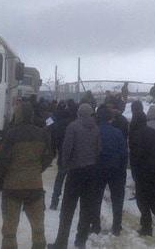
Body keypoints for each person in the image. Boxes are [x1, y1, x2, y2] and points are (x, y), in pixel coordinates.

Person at [0, 102, 54, 249]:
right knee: (38, 227)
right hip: (35, 186)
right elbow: (48, 156)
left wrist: (3, 175)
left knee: (10, 228)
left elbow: (3, 159)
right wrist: (37, 170)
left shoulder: (11, 134)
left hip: (12, 187)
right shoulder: (42, 133)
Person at [48, 104, 100, 249]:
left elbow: (67, 148)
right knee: (86, 208)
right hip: (90, 172)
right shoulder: (96, 128)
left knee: (67, 208)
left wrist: (65, 164)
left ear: (79, 113)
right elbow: (98, 150)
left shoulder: (73, 127)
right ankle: (81, 241)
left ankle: (61, 242)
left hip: (75, 171)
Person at [92, 107, 128, 236]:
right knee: (117, 198)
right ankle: (117, 226)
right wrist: (122, 170)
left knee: (96, 198)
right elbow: (124, 153)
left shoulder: (94, 132)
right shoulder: (117, 132)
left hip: (98, 170)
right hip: (116, 170)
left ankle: (95, 225)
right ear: (110, 119)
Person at [129, 112, 155, 236]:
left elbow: (135, 156)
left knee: (142, 200)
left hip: (141, 172)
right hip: (153, 170)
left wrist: (135, 172)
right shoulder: (153, 132)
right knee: (153, 194)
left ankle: (146, 226)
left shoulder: (136, 135)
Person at [50, 101, 76, 210]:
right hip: (74, 157)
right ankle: (69, 204)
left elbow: (54, 138)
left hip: (62, 155)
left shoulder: (59, 124)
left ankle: (54, 201)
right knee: (71, 180)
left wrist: (54, 151)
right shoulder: (75, 124)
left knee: (59, 178)